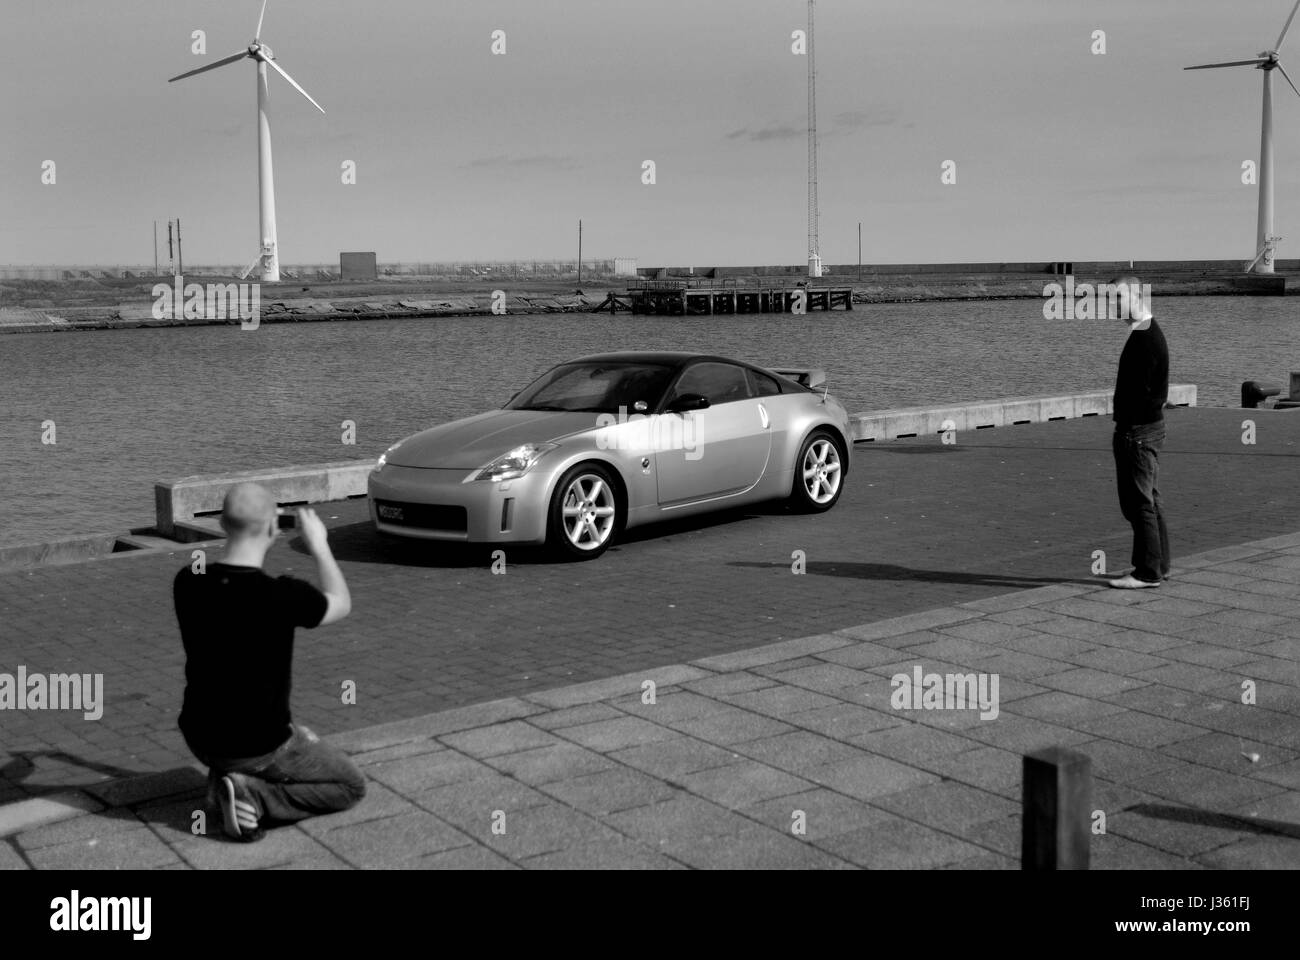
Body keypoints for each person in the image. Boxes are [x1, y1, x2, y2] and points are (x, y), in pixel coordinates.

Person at [173, 482, 364, 841]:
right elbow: (340, 602)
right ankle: (255, 796)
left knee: (281, 728)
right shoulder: (282, 595)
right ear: (274, 530)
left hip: (199, 733)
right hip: (257, 745)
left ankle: (226, 779)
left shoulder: (187, 582)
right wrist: (319, 545)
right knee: (350, 784)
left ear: (221, 525)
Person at [1106, 276, 1170, 589]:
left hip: (1139, 431)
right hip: (1148, 428)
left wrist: (1127, 427)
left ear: (1136, 296)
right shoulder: (1147, 331)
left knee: (1139, 503)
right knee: (1150, 501)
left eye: (1118, 297)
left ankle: (1147, 572)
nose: (1113, 304)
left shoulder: (1145, 338)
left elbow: (1142, 393)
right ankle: (1158, 565)